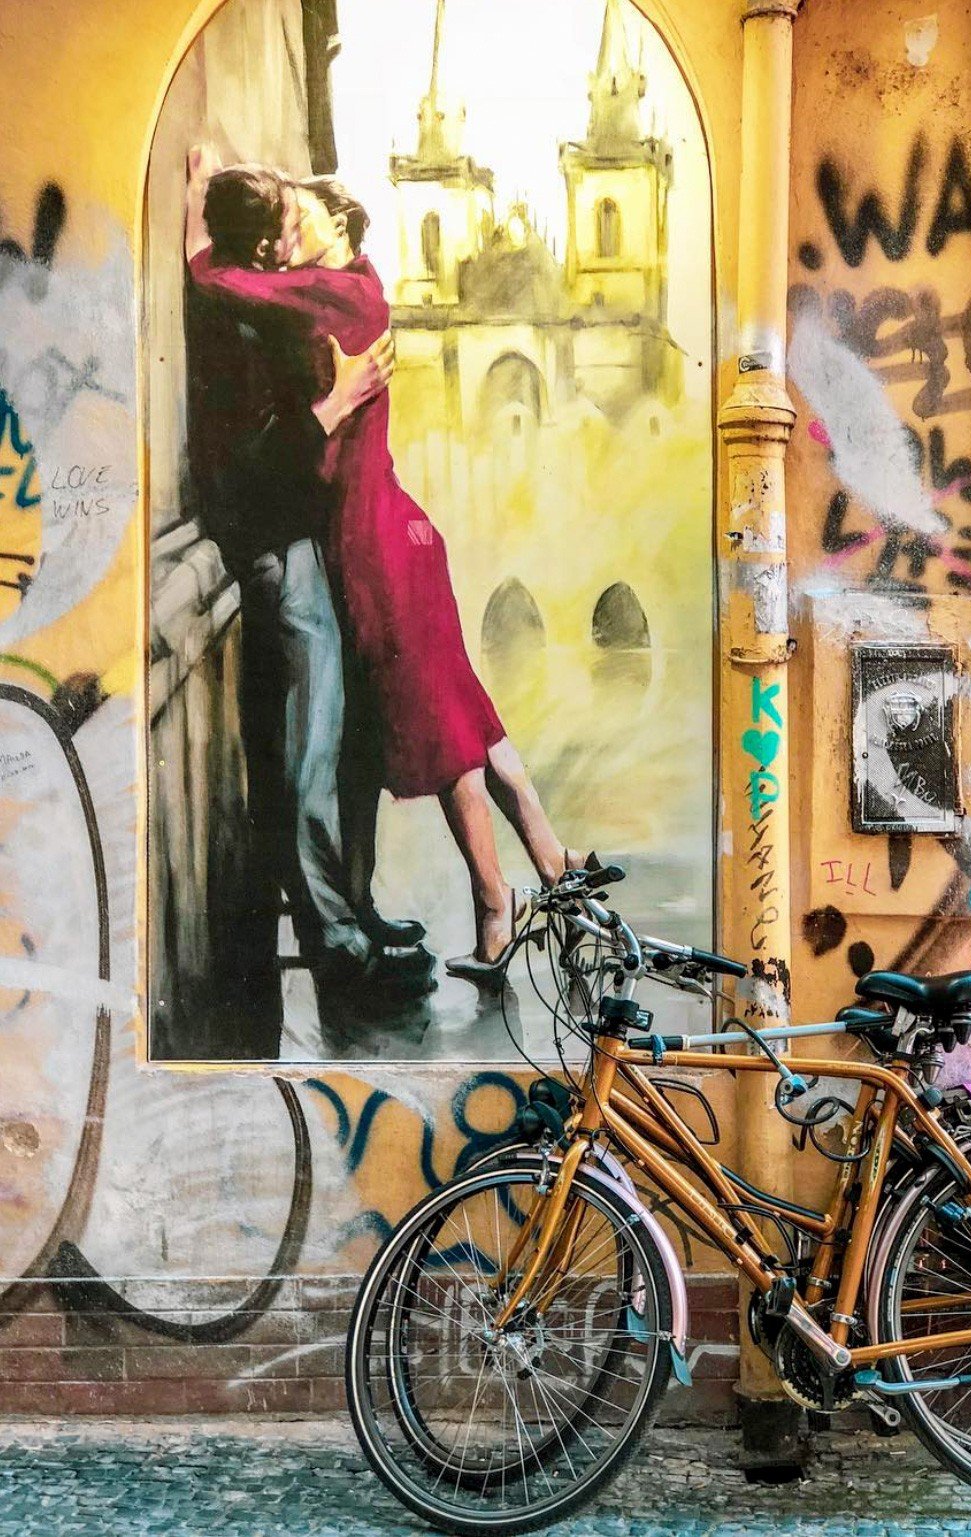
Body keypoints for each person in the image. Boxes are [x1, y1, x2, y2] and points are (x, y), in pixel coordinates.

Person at [187, 157, 584, 982]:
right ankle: (552, 862)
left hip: (372, 541)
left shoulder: (333, 292)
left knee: (438, 725)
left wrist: (199, 243)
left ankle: (495, 901)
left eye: (297, 220)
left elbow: (233, 289)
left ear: (337, 224)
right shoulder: (359, 286)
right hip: (396, 532)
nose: (287, 238)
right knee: (460, 708)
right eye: (279, 223)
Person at [183, 151, 430, 1042]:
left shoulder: (260, 306)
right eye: (286, 216)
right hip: (278, 550)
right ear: (261, 241)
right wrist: (335, 408)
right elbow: (243, 462)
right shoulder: (237, 327)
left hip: (301, 544)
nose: (299, 231)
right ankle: (338, 944)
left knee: (334, 742)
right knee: (310, 756)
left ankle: (351, 918)